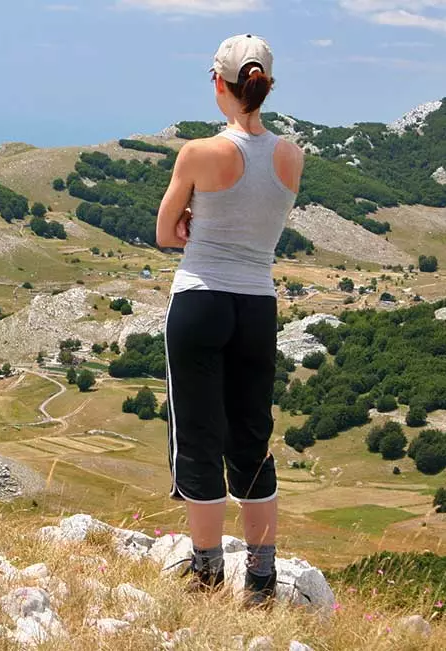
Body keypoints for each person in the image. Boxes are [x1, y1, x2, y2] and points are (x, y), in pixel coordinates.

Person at [154, 34, 304, 606]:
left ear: (219, 83)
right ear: (264, 85)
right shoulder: (292, 155)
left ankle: (208, 573)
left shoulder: (198, 153)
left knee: (197, 437)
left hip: (200, 300)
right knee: (251, 440)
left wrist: (193, 218)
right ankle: (262, 580)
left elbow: (165, 234)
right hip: (256, 305)